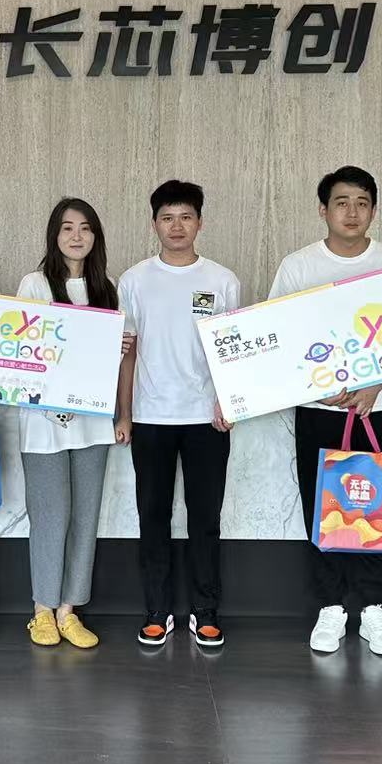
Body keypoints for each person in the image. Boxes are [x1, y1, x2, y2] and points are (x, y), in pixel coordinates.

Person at [271, 166, 382, 658]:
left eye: (362, 203)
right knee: (323, 507)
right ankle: (331, 606)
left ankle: (373, 608)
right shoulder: (298, 267)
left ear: (374, 210)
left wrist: (375, 384)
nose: (352, 212)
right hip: (319, 409)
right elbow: (279, 337)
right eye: (341, 202)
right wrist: (317, 386)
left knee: (374, 507)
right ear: (323, 209)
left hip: (379, 408)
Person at [117, 179, 241, 649]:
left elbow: (234, 351)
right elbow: (127, 353)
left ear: (200, 223)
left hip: (207, 418)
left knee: (205, 516)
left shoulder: (222, 280)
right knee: (152, 515)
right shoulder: (134, 281)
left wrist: (229, 401)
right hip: (151, 416)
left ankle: (206, 611)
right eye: (167, 218)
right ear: (154, 224)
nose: (177, 226)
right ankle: (157, 610)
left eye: (186, 217)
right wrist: (125, 413)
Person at [15, 198, 128, 651]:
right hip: (43, 423)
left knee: (84, 516)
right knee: (50, 516)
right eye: (67, 228)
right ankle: (42, 609)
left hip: (93, 423)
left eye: (85, 228)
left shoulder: (107, 289)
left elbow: (119, 359)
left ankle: (68, 610)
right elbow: (23, 351)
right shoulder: (35, 283)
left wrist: (122, 410)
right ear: (54, 235)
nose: (76, 236)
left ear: (96, 236)